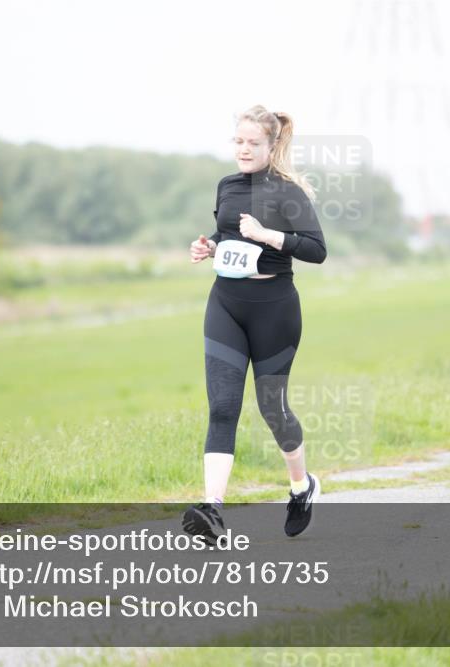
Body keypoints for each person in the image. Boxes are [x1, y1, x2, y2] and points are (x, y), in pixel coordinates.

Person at [184, 105, 327, 545]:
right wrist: (209, 247)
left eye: (253, 143)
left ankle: (302, 487)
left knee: (272, 409)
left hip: (274, 309)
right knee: (223, 406)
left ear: (271, 146)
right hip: (226, 303)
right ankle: (213, 509)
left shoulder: (289, 193)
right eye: (239, 141)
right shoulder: (227, 186)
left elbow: (316, 250)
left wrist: (268, 236)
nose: (244, 150)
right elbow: (227, 234)